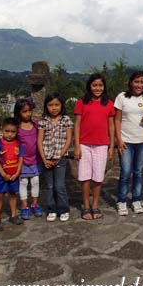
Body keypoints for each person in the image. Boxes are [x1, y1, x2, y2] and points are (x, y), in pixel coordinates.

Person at [74, 73, 115, 220]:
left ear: (104, 87)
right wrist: (77, 146)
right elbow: (77, 124)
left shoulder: (109, 104)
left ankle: (95, 205)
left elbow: (111, 126)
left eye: (100, 85)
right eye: (94, 85)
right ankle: (86, 205)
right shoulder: (81, 102)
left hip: (102, 145)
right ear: (89, 86)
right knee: (85, 177)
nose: (97, 88)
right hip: (84, 144)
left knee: (98, 177)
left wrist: (111, 146)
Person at [114, 71, 143, 216]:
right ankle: (122, 200)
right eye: (136, 82)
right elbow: (117, 120)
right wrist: (118, 139)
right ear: (131, 82)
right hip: (126, 141)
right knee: (125, 172)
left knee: (138, 172)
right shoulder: (122, 97)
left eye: (142, 82)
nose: (139, 85)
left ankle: (136, 199)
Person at [37, 93, 73, 222]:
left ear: (61, 105)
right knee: (50, 186)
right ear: (46, 107)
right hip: (46, 157)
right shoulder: (43, 122)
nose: (54, 108)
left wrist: (60, 155)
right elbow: (39, 141)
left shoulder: (66, 120)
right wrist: (44, 159)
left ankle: (63, 209)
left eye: (57, 105)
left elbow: (69, 139)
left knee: (59, 185)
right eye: (51, 105)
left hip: (60, 158)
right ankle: (51, 209)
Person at [0, 117, 24, 230]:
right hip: (2, 176)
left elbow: (20, 159)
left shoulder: (18, 144)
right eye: (7, 131)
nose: (10, 134)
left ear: (17, 131)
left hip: (14, 175)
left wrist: (17, 173)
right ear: (2, 129)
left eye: (13, 132)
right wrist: (3, 174)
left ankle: (13, 215)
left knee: (13, 195)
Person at [14, 98, 43, 220]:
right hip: (22, 161)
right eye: (24, 111)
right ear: (18, 113)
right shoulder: (17, 127)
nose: (27, 114)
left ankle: (35, 203)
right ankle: (24, 206)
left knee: (35, 181)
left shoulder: (36, 125)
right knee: (24, 182)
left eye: (29, 111)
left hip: (35, 160)